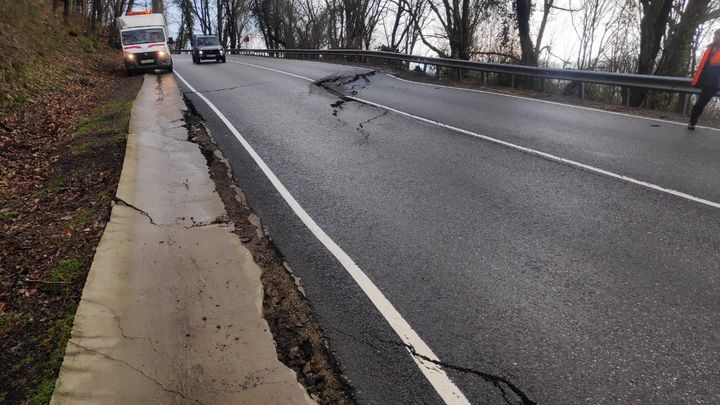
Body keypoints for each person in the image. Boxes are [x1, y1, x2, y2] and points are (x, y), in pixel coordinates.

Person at [689, 29, 720, 130]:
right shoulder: (711, 48)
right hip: (710, 82)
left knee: (701, 102)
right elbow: (704, 65)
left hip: (716, 80)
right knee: (701, 103)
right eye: (715, 35)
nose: (715, 37)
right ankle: (692, 122)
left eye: (717, 35)